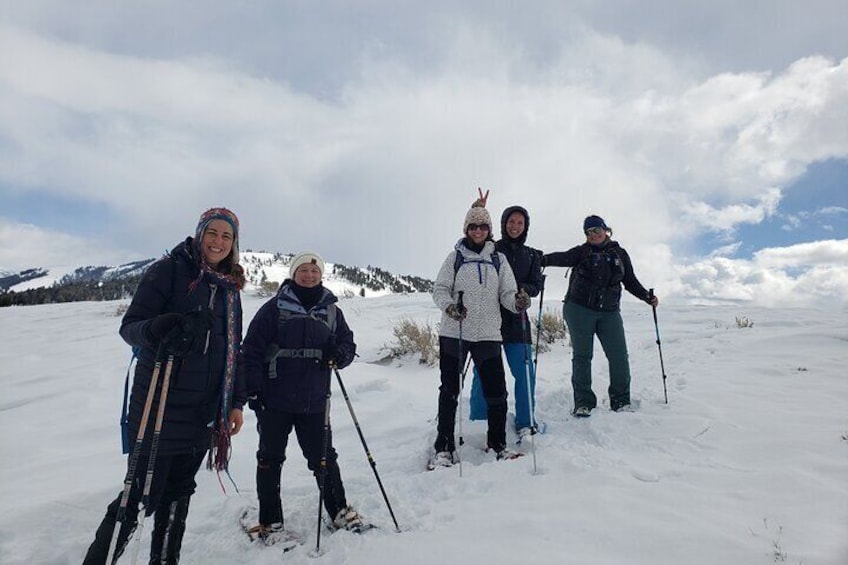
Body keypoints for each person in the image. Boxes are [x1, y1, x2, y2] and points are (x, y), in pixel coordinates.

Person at [83, 207, 247, 564]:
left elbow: (234, 351)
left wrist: (235, 402)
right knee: (139, 495)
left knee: (179, 493)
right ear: (199, 233)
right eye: (212, 232)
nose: (218, 242)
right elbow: (131, 327)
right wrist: (162, 328)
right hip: (159, 403)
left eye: (226, 236)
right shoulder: (169, 271)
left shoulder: (230, 289)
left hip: (204, 412)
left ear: (234, 243)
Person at [241, 251, 365, 542]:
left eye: (314, 271)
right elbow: (252, 350)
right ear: (293, 273)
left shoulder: (332, 311)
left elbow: (347, 343)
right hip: (275, 399)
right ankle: (271, 523)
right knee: (270, 460)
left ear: (321, 275)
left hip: (314, 401)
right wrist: (254, 391)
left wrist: (341, 353)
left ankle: (338, 511)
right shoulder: (274, 308)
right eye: (303, 270)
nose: (309, 275)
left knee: (324, 458)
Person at [430, 193, 530, 467]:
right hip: (455, 333)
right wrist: (450, 307)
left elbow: (507, 294)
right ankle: (444, 447)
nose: (477, 231)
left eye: (482, 227)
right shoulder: (454, 258)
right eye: (473, 227)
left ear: (489, 231)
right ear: (466, 230)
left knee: (497, 392)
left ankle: (498, 444)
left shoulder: (498, 259)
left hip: (488, 334)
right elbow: (439, 290)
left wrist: (517, 302)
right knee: (449, 390)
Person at [542, 215, 659, 417]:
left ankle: (621, 400)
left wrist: (646, 297)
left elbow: (630, 280)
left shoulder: (619, 253)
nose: (593, 234)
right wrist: (539, 259)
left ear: (606, 230)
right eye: (588, 232)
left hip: (609, 312)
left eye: (596, 230)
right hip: (579, 309)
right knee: (582, 356)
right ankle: (583, 403)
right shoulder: (581, 252)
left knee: (619, 356)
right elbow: (560, 258)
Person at [468, 206, 544, 440]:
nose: (515, 226)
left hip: (517, 321)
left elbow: (536, 285)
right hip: (489, 320)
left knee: (524, 372)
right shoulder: (492, 248)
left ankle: (525, 422)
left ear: (526, 226)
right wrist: (477, 208)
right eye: (511, 221)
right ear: (503, 223)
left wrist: (523, 291)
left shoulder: (531, 255)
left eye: (520, 223)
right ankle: (479, 421)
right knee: (483, 373)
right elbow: (475, 235)